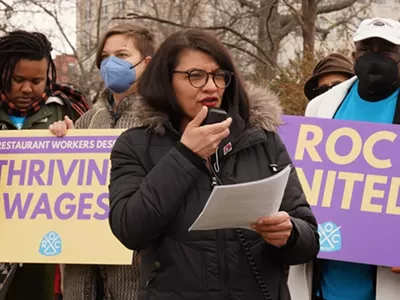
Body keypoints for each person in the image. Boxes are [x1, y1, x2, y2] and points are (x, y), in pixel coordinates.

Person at [108, 28, 319, 300]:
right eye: (195, 76)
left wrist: (289, 234)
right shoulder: (135, 145)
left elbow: (310, 240)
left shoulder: (263, 141)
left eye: (219, 76)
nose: (211, 86)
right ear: (165, 81)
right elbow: (130, 229)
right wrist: (185, 156)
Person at [289, 17, 400, 300]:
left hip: (387, 278)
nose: (375, 57)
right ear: (354, 56)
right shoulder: (322, 106)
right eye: (366, 48)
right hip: (325, 277)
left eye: (386, 50)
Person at [50, 23, 155, 300]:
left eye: (121, 55)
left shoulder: (159, 120)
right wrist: (59, 142)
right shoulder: (88, 120)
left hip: (134, 274)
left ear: (147, 63)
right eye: (105, 57)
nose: (111, 64)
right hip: (82, 275)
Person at [0, 30, 90, 300]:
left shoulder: (67, 109)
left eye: (37, 80)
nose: (27, 89)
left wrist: (73, 140)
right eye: (18, 80)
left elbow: (89, 176)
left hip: (42, 251)